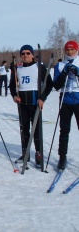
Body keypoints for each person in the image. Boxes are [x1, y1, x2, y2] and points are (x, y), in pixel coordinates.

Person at [9, 44, 53, 167]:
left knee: (37, 130)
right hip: (22, 104)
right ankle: (25, 153)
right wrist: (14, 95)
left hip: (35, 103)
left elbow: (49, 84)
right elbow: (12, 85)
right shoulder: (18, 69)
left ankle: (38, 153)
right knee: (24, 130)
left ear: (32, 54)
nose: (25, 55)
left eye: (28, 53)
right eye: (23, 53)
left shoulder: (39, 67)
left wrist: (42, 98)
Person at [53, 40, 79, 170]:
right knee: (64, 130)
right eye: (67, 50)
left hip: (78, 98)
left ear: (76, 49)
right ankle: (62, 157)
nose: (69, 52)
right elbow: (56, 86)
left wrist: (78, 72)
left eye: (72, 50)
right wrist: (63, 73)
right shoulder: (60, 65)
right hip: (65, 100)